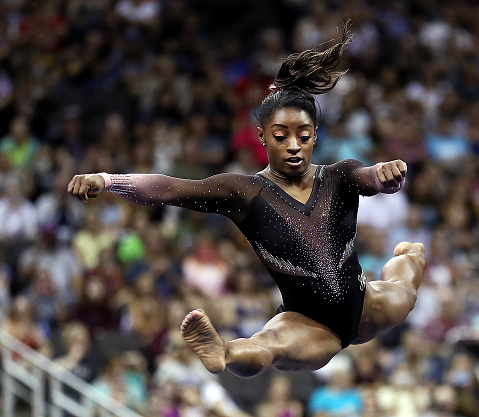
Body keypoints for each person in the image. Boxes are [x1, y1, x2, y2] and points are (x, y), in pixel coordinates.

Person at [67, 25, 425, 378]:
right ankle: (223, 350)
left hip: (364, 306)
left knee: (407, 285)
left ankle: (408, 254)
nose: (294, 145)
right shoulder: (246, 192)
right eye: (281, 136)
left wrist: (385, 175)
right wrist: (109, 180)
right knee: (270, 345)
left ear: (315, 134)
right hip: (309, 323)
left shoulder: (340, 176)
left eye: (303, 135)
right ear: (263, 137)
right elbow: (169, 188)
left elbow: (372, 176)